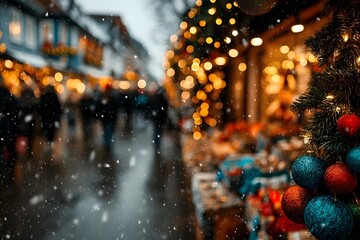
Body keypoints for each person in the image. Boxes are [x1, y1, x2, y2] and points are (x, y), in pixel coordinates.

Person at [0, 81, 19, 173]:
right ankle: (9, 165)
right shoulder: (9, 96)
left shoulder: (7, 97)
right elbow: (15, 114)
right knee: (9, 148)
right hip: (8, 128)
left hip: (6, 127)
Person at [95, 84, 119, 150]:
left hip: (108, 117)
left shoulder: (109, 97)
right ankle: (107, 142)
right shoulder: (105, 97)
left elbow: (99, 107)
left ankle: (107, 142)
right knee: (107, 130)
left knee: (108, 130)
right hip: (108, 117)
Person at [18, 83, 38, 155]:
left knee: (25, 135)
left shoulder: (22, 97)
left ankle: (24, 149)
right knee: (29, 136)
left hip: (25, 120)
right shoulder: (31, 98)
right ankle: (27, 149)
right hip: (29, 120)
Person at [149, 87, 169, 153]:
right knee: (158, 131)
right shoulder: (162, 98)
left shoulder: (155, 98)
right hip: (160, 118)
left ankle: (156, 143)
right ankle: (157, 144)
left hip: (157, 118)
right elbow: (165, 108)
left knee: (156, 130)